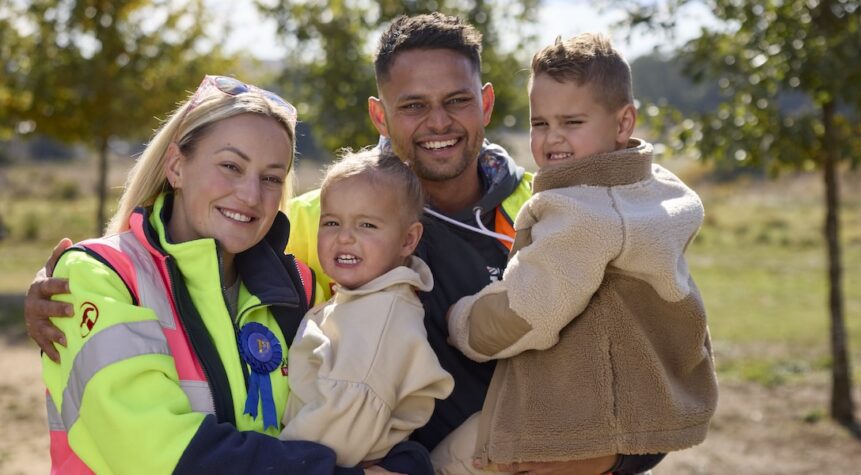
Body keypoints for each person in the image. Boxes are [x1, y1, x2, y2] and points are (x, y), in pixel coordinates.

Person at [27, 13, 655, 474]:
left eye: (457, 101)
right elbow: (193, 247)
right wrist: (69, 283)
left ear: (485, 104)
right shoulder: (313, 227)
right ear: (379, 115)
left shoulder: (556, 216)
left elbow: (653, 353)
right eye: (413, 105)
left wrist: (610, 458)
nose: (438, 122)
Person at [37, 74, 420, 474]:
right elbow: (154, 453)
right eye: (231, 166)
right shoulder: (101, 276)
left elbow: (359, 412)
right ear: (176, 166)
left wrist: (407, 463)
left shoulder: (302, 289)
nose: (251, 195)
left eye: (271, 178)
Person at [444, 33, 718, 470]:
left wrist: (460, 321)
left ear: (623, 124)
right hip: (636, 413)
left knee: (448, 461)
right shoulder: (652, 189)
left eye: (572, 122)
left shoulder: (584, 213)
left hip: (580, 425)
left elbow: (526, 313)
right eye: (540, 124)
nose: (553, 138)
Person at [279, 149, 454, 468]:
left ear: (408, 240)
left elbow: (337, 432)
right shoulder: (362, 299)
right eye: (331, 222)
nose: (345, 237)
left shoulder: (379, 320)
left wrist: (272, 463)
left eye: (367, 225)